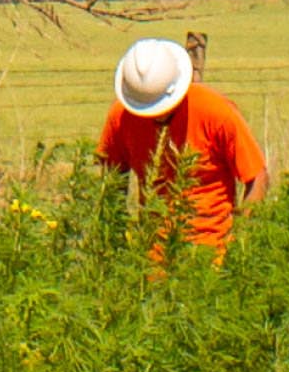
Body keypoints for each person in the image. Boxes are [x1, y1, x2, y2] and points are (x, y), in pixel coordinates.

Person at [99, 37, 267, 255]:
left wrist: (239, 246)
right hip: (149, 261)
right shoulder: (121, 117)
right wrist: (114, 246)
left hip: (211, 257)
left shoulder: (216, 112)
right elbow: (112, 183)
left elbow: (257, 177)